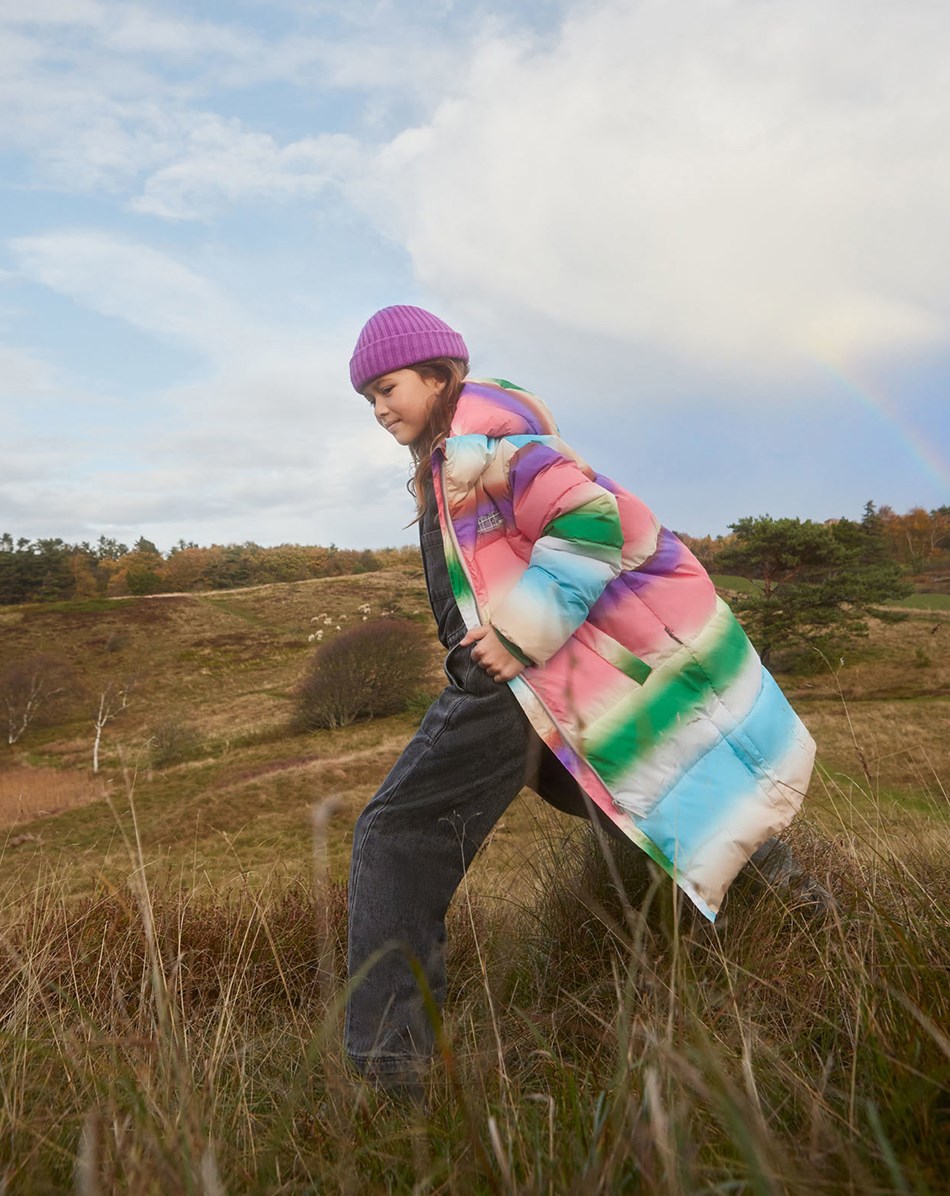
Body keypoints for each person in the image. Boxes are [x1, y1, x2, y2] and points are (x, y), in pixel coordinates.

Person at [344, 305, 820, 1092]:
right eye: (367, 399)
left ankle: (386, 1075)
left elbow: (594, 523)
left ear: (438, 376)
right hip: (538, 682)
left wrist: (522, 635)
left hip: (514, 681)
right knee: (652, 801)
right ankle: (810, 921)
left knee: (397, 836)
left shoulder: (487, 444)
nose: (380, 408)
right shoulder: (458, 453)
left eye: (388, 387)